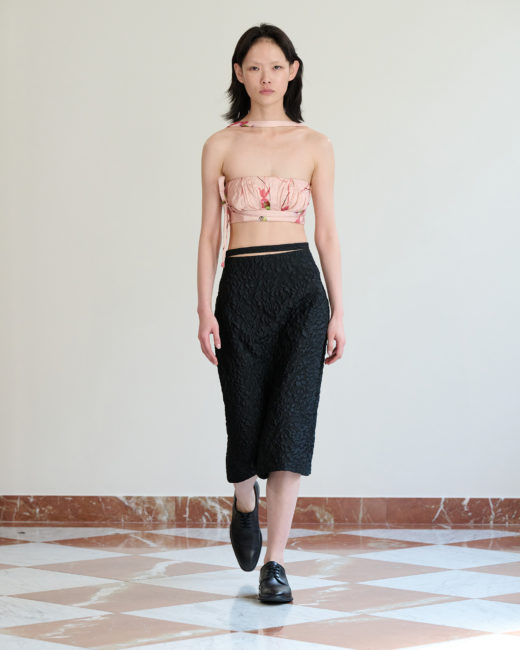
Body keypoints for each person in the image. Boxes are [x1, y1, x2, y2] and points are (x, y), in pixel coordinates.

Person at [197, 23, 344, 604]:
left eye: (276, 67)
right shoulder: (220, 144)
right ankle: (243, 496)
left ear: (293, 71)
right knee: (243, 414)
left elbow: (326, 233)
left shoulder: (315, 144)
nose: (266, 77)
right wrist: (203, 307)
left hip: (300, 292)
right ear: (239, 73)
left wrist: (338, 310)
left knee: (292, 422)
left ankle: (276, 562)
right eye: (254, 67)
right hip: (240, 287)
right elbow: (210, 234)